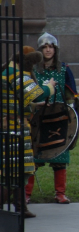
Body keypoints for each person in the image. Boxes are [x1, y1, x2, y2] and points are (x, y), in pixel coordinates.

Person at [1, 47, 55, 219]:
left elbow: (14, 98)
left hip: (12, 124)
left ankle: (21, 207)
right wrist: (49, 87)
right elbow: (38, 95)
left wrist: (30, 106)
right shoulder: (15, 74)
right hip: (13, 127)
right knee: (12, 171)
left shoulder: (7, 70)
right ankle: (17, 207)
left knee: (18, 170)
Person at [25, 33, 78, 205]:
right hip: (38, 118)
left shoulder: (64, 69)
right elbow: (27, 94)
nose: (48, 50)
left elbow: (71, 97)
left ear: (55, 49)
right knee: (32, 158)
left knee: (60, 157)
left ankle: (60, 193)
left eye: (51, 47)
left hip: (59, 118)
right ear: (40, 50)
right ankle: (26, 194)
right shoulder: (32, 70)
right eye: (45, 47)